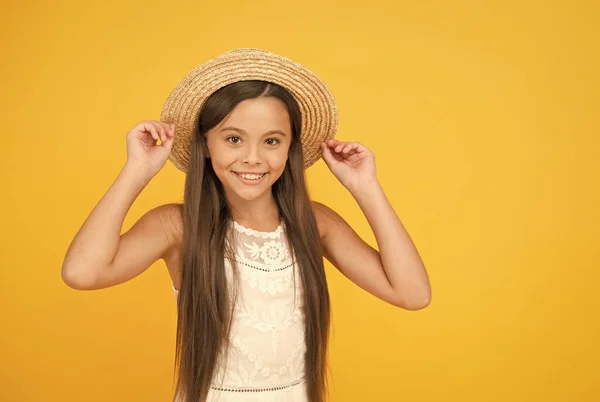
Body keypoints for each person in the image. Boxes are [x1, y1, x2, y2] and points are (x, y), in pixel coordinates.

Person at [61, 48, 431, 402]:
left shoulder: (314, 223)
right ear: (206, 143)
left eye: (271, 141)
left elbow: (413, 294)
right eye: (234, 139)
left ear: (290, 149)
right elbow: (82, 272)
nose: (252, 158)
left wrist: (365, 188)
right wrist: (136, 170)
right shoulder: (178, 226)